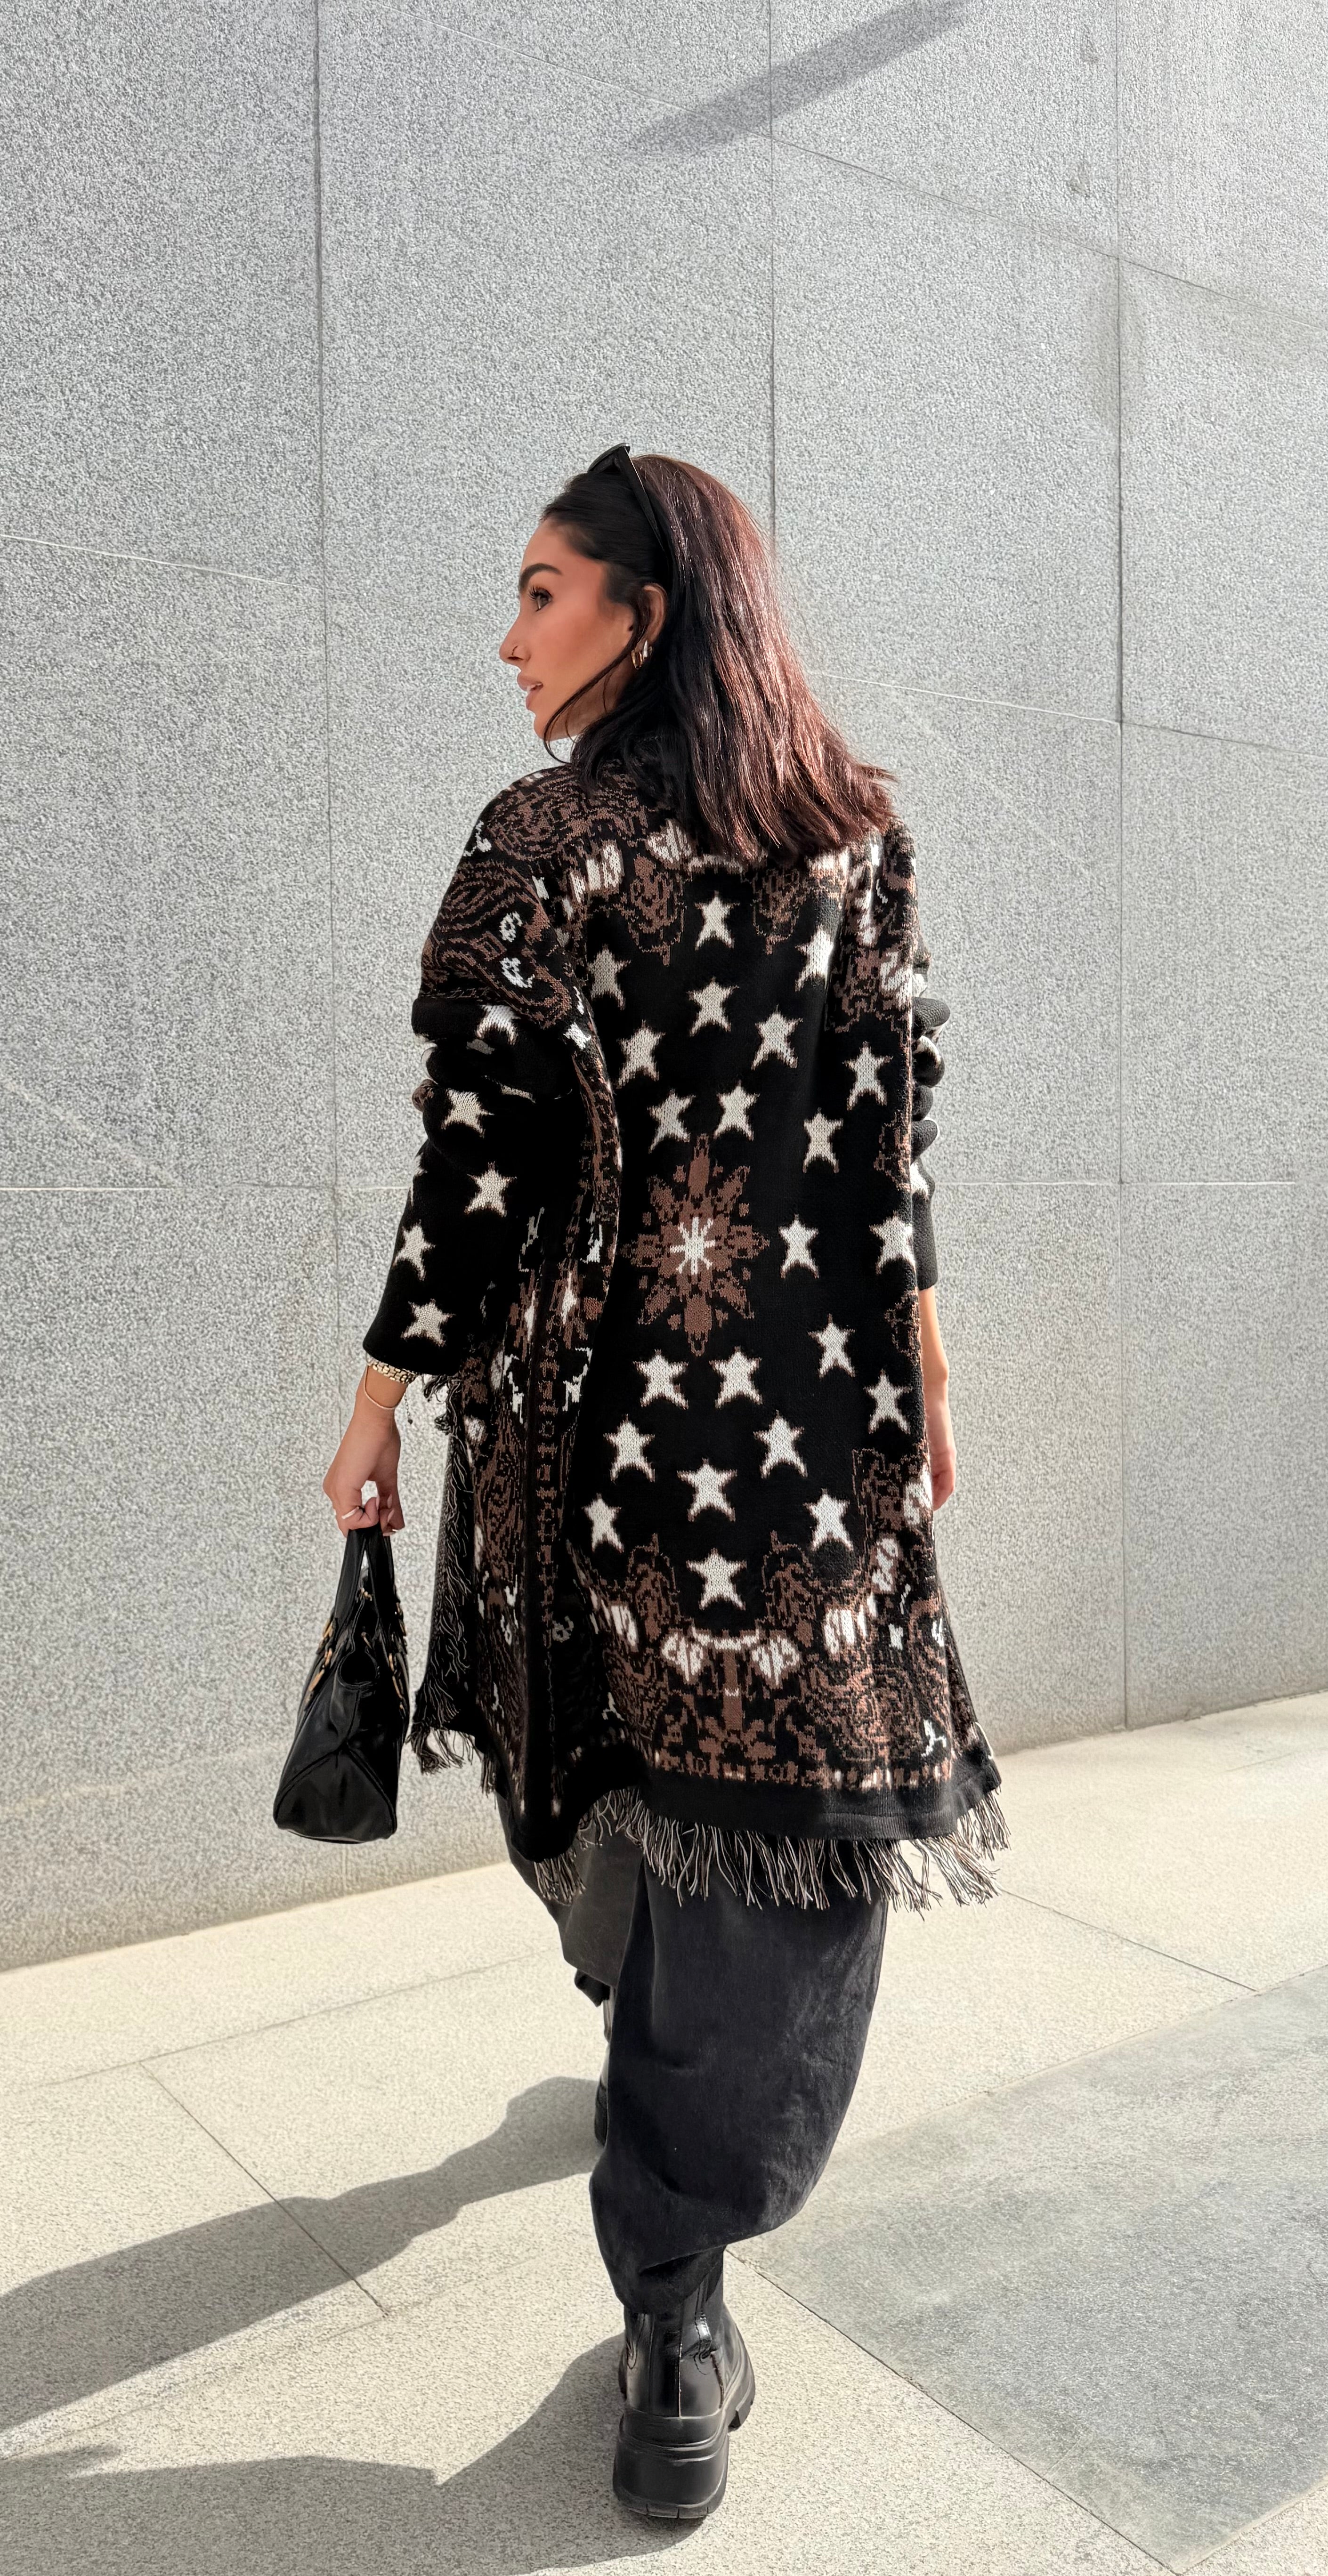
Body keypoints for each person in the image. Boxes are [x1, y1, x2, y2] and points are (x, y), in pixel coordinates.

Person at [323, 445, 1007, 2523]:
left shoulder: (610, 842)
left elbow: (853, 1127)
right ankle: (663, 2084)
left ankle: (675, 2289)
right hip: (719, 1434)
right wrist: (914, 1349)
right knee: (666, 1819)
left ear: (648, 611)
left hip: (669, 1435)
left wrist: (375, 1402)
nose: (508, 636)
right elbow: (865, 1135)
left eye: (542, 590)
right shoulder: (789, 837)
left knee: (749, 1837)